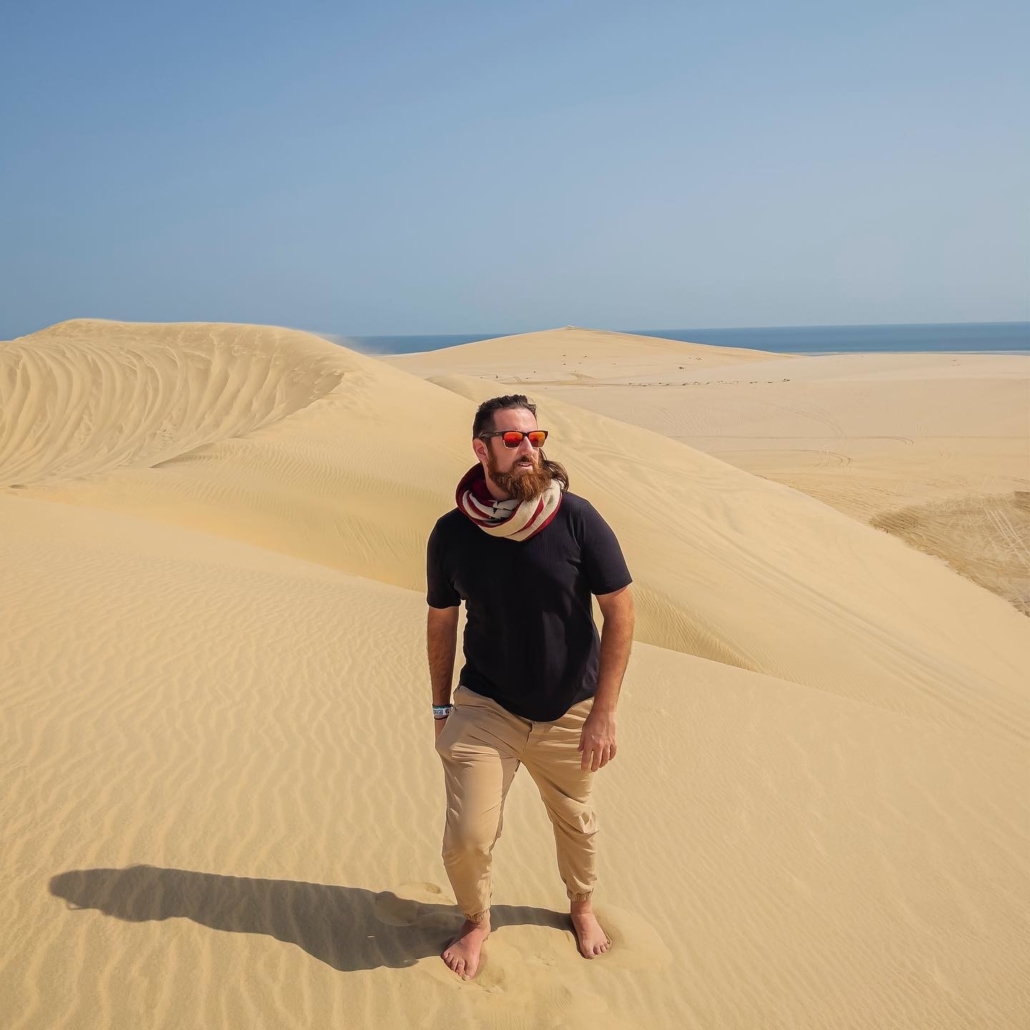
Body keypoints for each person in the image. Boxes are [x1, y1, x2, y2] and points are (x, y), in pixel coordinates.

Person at [425, 394, 635, 980]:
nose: (528, 450)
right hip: (486, 705)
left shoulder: (576, 518)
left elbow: (620, 610)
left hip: (570, 708)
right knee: (469, 834)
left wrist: (604, 713)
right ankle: (475, 920)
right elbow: (442, 621)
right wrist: (442, 706)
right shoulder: (451, 533)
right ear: (481, 448)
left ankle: (582, 906)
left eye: (535, 439)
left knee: (577, 822)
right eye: (513, 440)